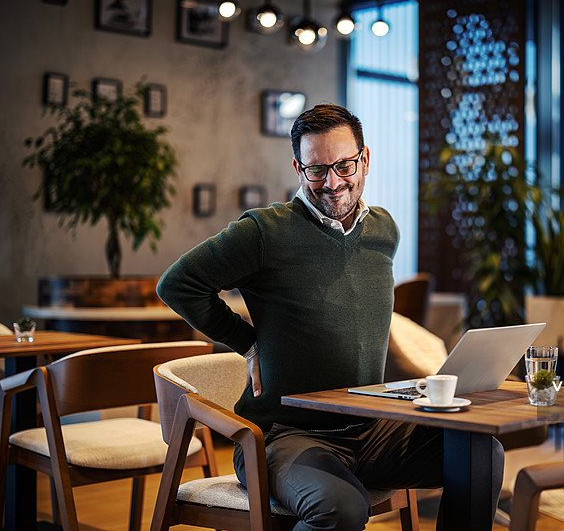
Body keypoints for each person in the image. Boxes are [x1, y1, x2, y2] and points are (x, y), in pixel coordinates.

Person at [157, 103, 504, 531]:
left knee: (480, 453)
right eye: (316, 170)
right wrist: (247, 342)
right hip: (283, 436)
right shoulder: (266, 231)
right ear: (298, 167)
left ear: (365, 159)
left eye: (343, 166)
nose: (333, 183)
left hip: (373, 428)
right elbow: (177, 284)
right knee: (342, 507)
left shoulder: (383, 231)